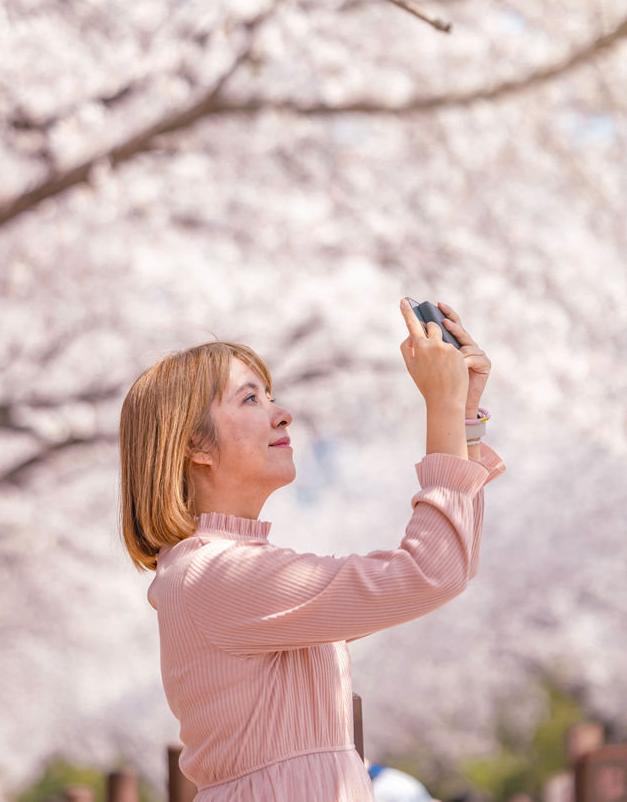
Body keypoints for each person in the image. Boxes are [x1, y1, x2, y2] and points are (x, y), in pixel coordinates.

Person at [119, 299, 505, 801]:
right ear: (196, 445)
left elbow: (450, 563)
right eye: (250, 400)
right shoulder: (216, 573)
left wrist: (463, 419)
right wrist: (443, 409)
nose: (283, 415)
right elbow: (431, 571)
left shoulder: (223, 568)